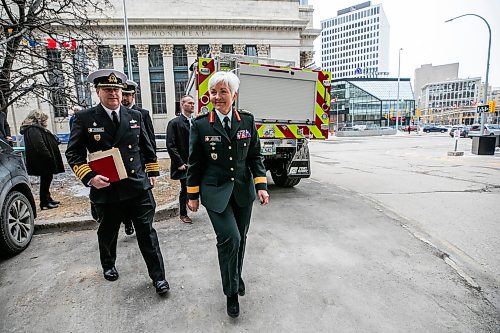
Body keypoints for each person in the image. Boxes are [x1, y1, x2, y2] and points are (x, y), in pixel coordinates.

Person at [65, 69, 169, 295]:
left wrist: (152, 172)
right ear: (98, 91)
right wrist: (90, 177)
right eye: (108, 89)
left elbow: (147, 147)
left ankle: (159, 277)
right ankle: (108, 263)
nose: (113, 94)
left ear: (122, 93)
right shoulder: (84, 118)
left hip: (137, 187)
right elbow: (73, 154)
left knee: (147, 234)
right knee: (108, 232)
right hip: (107, 189)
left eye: (117, 90)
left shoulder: (135, 116)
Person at [186, 71, 270, 318]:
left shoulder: (247, 120)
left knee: (241, 238)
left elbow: (255, 156)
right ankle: (231, 292)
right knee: (230, 238)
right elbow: (195, 163)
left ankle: (235, 275)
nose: (218, 96)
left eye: (223, 92)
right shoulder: (201, 124)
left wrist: (261, 186)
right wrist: (192, 195)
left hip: (243, 191)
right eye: (214, 92)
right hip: (214, 192)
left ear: (234, 94)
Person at [120, 80, 156, 235]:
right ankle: (127, 221)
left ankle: (144, 224)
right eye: (124, 94)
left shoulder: (143, 114)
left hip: (139, 165)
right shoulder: (115, 113)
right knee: (125, 198)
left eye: (128, 94)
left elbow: (150, 141)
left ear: (133, 96)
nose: (125, 98)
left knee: (147, 201)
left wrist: (151, 169)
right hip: (121, 165)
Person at [20, 110, 64, 210]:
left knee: (47, 179)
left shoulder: (35, 129)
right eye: (44, 119)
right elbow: (39, 145)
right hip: (42, 160)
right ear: (38, 119)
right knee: (45, 180)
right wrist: (49, 156)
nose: (45, 122)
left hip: (43, 159)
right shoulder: (33, 129)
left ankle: (48, 198)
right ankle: (44, 202)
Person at [166, 95, 195, 224]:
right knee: (185, 188)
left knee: (195, 185)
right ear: (182, 105)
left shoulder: (196, 122)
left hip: (195, 162)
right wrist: (179, 162)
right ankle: (183, 214)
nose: (192, 105)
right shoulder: (174, 123)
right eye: (189, 103)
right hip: (183, 163)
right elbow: (170, 145)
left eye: (193, 103)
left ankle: (193, 201)